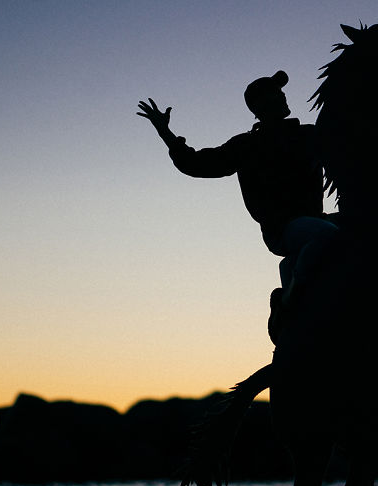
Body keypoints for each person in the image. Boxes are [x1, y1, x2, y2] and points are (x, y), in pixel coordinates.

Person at [137, 71, 338, 312]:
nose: (284, 96)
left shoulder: (308, 135)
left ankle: (294, 271)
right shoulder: (247, 146)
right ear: (262, 104)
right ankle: (289, 301)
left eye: (282, 91)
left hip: (316, 222)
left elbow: (350, 153)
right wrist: (165, 132)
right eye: (277, 92)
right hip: (282, 231)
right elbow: (195, 163)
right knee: (333, 238)